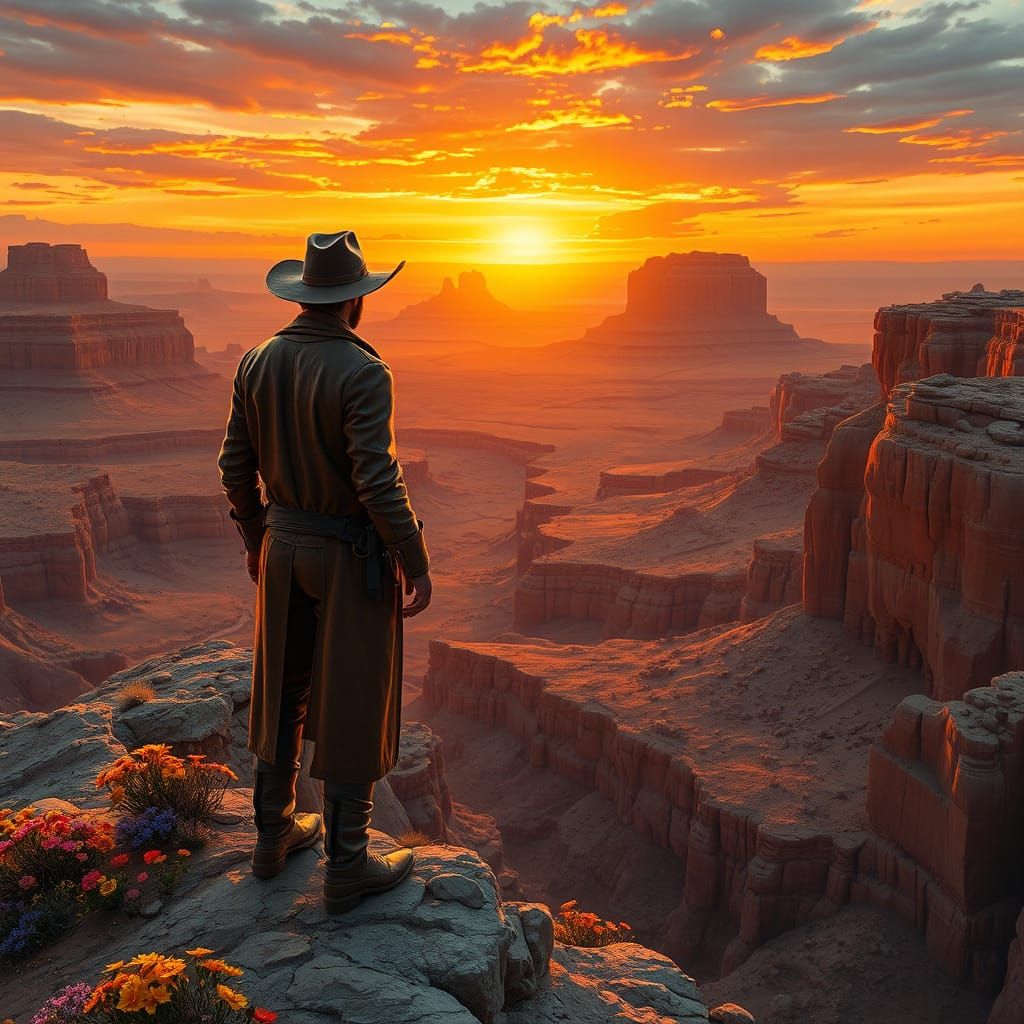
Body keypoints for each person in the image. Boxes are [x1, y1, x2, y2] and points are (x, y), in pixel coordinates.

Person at [217, 230, 432, 913]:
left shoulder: (255, 360)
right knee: (354, 701)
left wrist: (257, 537)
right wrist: (415, 559)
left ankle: (272, 838)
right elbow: (377, 479)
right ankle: (347, 865)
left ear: (306, 295)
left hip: (282, 549)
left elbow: (233, 467)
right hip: (350, 559)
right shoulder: (366, 371)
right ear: (356, 303)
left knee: (282, 688)